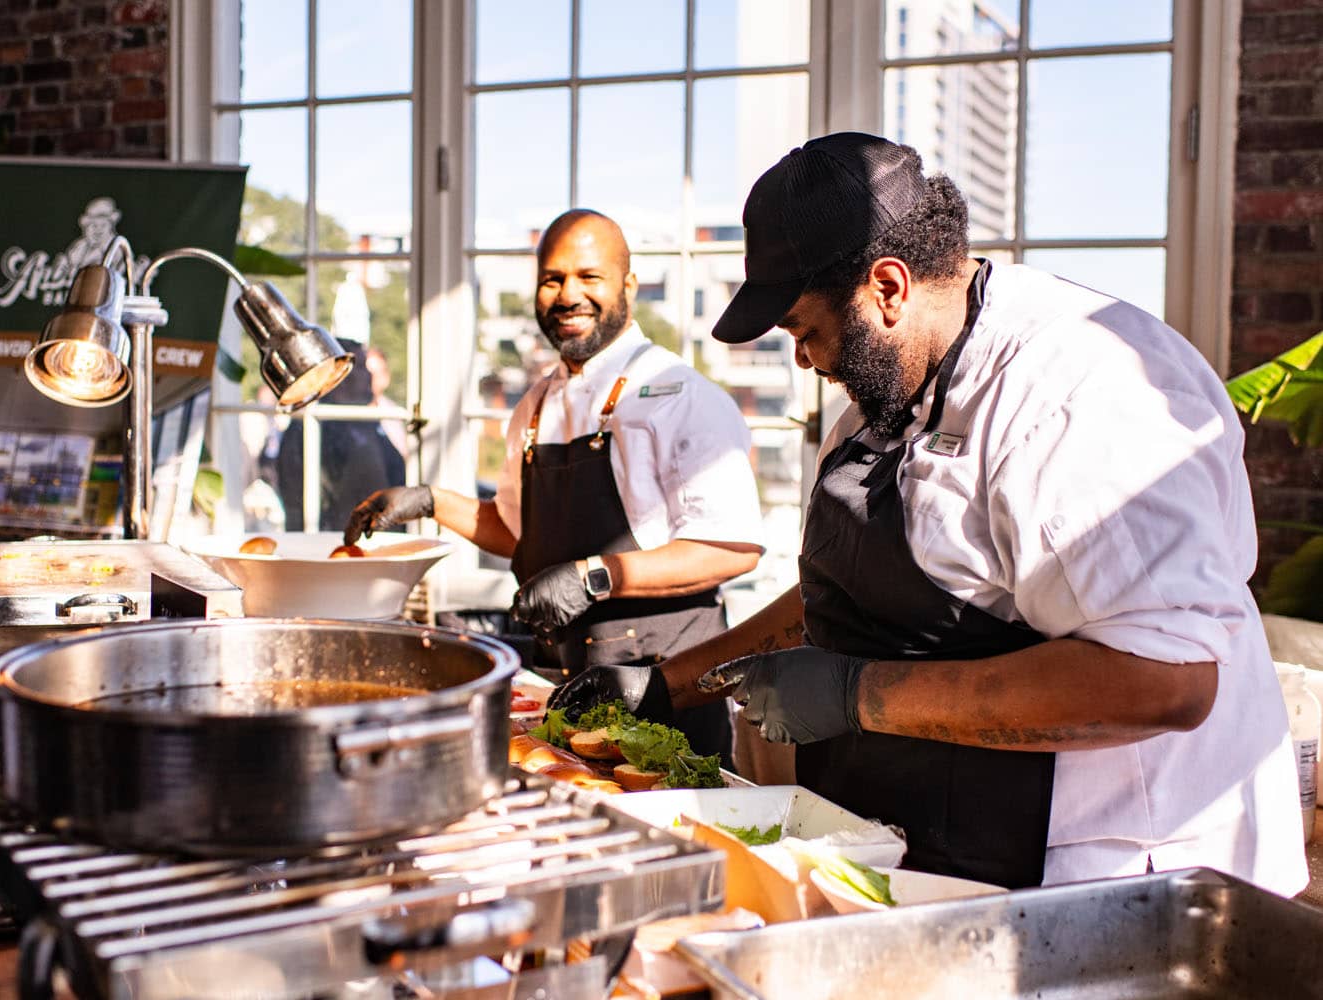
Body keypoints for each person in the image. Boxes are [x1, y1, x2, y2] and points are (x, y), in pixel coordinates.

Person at [550, 132, 1308, 895]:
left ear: (887, 287)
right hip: (936, 846)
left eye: (807, 332)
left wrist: (856, 696)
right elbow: (844, 594)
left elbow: (1165, 681)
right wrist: (668, 686)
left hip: (1116, 865)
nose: (804, 363)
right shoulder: (891, 389)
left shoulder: (1081, 395)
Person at [346, 209, 765, 761]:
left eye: (589, 277)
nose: (568, 294)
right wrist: (428, 500)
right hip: (562, 686)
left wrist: (595, 577)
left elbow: (732, 549)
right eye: (553, 278)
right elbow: (517, 531)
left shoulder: (683, 396)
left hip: (662, 689)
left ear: (628, 286)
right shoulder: (535, 406)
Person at [261, 338, 405, 532]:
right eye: (361, 367)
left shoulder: (365, 426)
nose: (370, 377)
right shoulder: (311, 430)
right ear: (342, 375)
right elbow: (312, 501)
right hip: (329, 542)